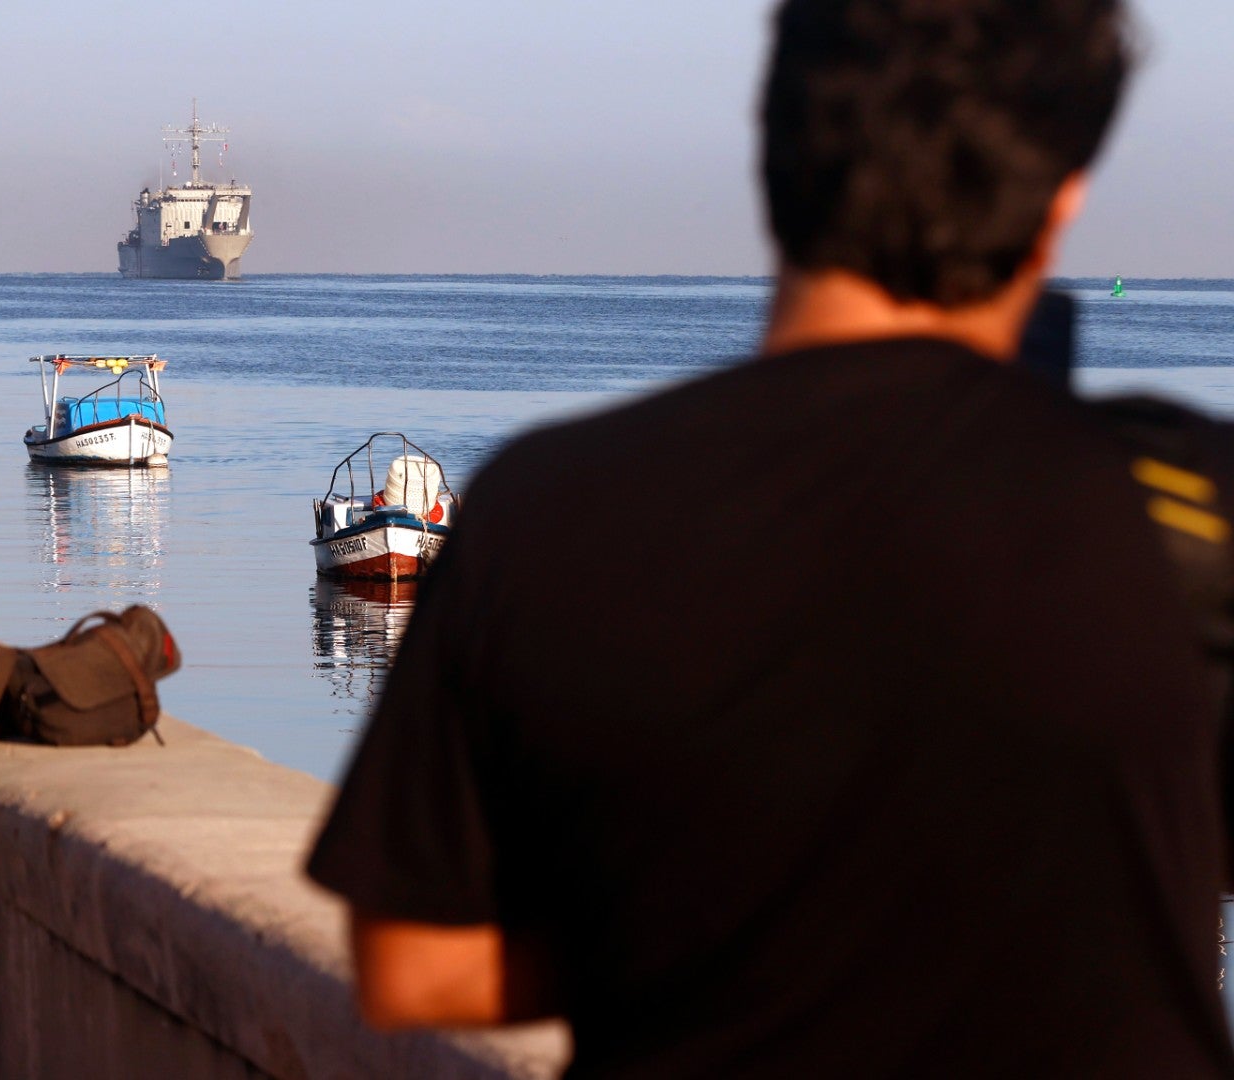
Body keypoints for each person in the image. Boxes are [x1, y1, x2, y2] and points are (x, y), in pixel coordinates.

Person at [309, 0, 1234, 1075]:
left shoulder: (552, 505)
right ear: (1062, 199)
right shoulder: (1190, 509)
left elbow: (417, 964)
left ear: (775, 154)